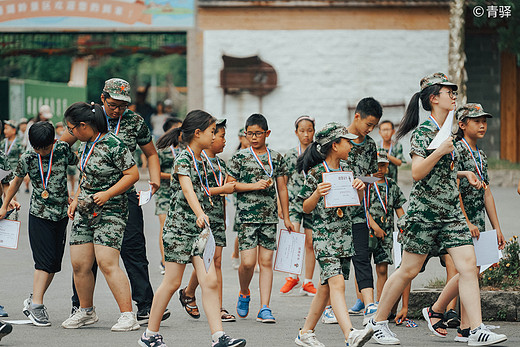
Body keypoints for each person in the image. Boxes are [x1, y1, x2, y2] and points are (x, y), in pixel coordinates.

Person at [365, 72, 507, 346]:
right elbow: (417, 172)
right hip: (425, 213)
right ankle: (377, 322)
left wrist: (463, 173)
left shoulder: (449, 132)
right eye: (448, 91)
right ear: (433, 98)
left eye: (454, 91)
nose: (454, 95)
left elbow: (443, 174)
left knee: (467, 267)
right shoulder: (424, 133)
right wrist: (440, 151)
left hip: (452, 212)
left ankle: (475, 329)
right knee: (408, 269)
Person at [138, 110, 246, 347]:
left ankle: (219, 337)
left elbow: (208, 189)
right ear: (198, 134)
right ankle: (149, 334)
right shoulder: (184, 159)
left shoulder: (203, 159)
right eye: (211, 131)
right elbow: (188, 190)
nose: (214, 135)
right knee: (172, 283)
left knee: (209, 282)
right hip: (179, 230)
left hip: (200, 232)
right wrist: (199, 213)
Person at [61, 78, 164, 324]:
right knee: (84, 259)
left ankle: (143, 305)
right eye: (113, 104)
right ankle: (82, 307)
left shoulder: (134, 122)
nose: (117, 110)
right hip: (89, 198)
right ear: (103, 97)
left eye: (123, 105)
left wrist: (156, 180)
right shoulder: (88, 121)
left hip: (121, 194)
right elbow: (64, 146)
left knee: (132, 248)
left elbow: (150, 154)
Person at [424, 103, 506, 343]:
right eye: (476, 121)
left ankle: (466, 328)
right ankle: (436, 310)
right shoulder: (456, 150)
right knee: (468, 270)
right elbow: (454, 188)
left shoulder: (480, 154)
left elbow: (487, 192)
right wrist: (466, 220)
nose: (482, 125)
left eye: (484, 121)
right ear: (462, 124)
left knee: (473, 271)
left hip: (478, 221)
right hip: (459, 221)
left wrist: (497, 227)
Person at [61, 102, 140, 331]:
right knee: (79, 264)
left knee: (107, 262)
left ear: (83, 125)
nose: (70, 133)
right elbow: (86, 177)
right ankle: (86, 311)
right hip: (85, 210)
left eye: (71, 128)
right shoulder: (85, 145)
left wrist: (108, 194)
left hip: (111, 210)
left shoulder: (114, 144)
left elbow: (132, 174)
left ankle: (127, 316)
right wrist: (76, 198)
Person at [294, 122, 371, 347]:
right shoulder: (316, 173)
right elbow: (305, 208)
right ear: (335, 145)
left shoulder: (348, 169)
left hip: (344, 237)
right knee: (337, 283)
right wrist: (317, 193)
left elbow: (353, 204)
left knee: (326, 288)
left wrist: (359, 189)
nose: (351, 145)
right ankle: (349, 334)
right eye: (347, 141)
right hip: (324, 237)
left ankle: (306, 332)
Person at [0, 122, 78, 327]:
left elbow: (80, 161)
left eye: (45, 148)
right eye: (37, 148)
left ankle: (34, 298)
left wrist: (76, 196)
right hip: (39, 215)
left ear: (53, 141)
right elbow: (16, 181)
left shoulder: (61, 150)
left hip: (61, 214)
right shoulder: (28, 158)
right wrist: (5, 203)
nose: (41, 152)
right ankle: (36, 305)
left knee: (53, 264)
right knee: (43, 262)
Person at [227, 113, 294, 323]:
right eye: (250, 134)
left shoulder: (276, 157)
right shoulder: (239, 157)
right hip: (247, 217)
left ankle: (265, 307)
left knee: (266, 261)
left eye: (258, 133)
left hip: (269, 217)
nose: (254, 137)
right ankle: (244, 291)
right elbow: (230, 185)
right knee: (247, 263)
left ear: (267, 133)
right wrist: (253, 186)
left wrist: (286, 215)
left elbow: (282, 188)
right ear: (245, 135)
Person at [179, 119, 238, 323]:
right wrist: (223, 189)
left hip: (218, 217)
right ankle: (218, 308)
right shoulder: (196, 161)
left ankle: (188, 292)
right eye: (218, 135)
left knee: (213, 260)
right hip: (201, 217)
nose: (221, 140)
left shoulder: (221, 164)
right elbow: (197, 192)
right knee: (212, 261)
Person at [343, 97, 382, 325]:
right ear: (356, 116)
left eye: (373, 126)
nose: (370, 130)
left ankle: (369, 305)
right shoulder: (336, 138)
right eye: (368, 124)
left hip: (359, 210)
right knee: (336, 261)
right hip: (335, 214)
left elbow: (374, 176)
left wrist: (361, 180)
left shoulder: (370, 145)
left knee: (362, 257)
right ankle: (329, 307)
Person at [280, 115, 318, 296]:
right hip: (294, 203)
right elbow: (283, 182)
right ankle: (292, 276)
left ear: (314, 132)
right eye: (302, 131)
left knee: (310, 242)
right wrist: (282, 206)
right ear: (296, 132)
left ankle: (308, 281)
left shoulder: (318, 153)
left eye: (309, 130)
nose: (306, 134)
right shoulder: (290, 155)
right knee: (294, 236)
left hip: (311, 203)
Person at [366, 152, 406, 304]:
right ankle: (363, 302)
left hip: (386, 234)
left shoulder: (392, 185)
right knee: (364, 267)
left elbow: (399, 208)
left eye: (382, 165)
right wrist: (374, 226)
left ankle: (380, 302)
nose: (379, 169)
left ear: (388, 166)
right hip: (368, 231)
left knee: (382, 268)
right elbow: (361, 208)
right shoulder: (366, 183)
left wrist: (404, 225)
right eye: (376, 165)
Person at [155, 117, 183, 275]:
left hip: (179, 192)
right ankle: (164, 261)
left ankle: (175, 258)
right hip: (164, 192)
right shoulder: (161, 148)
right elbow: (155, 172)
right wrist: (171, 176)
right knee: (164, 225)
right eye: (178, 129)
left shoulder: (185, 148)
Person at [230, 127, 250, 270]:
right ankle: (236, 254)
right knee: (241, 228)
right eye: (245, 136)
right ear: (240, 138)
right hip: (240, 196)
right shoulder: (236, 156)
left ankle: (251, 261)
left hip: (254, 194)